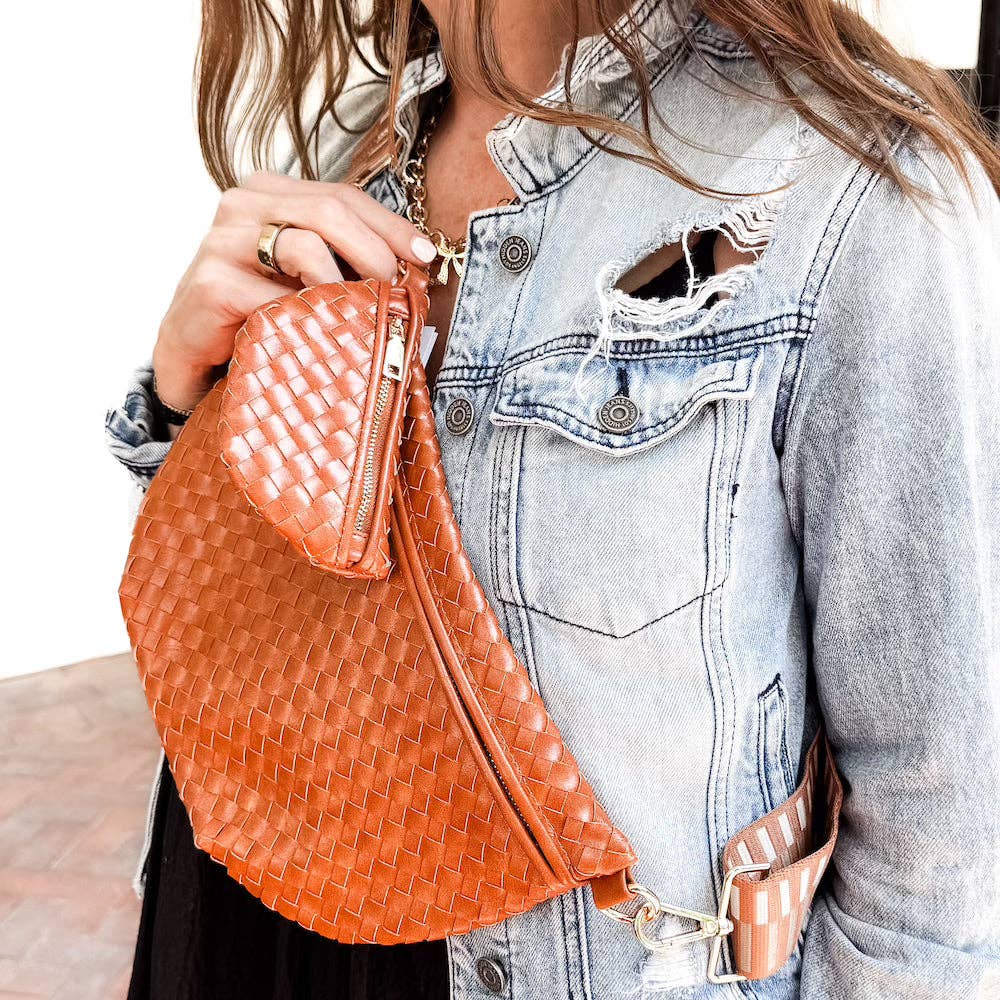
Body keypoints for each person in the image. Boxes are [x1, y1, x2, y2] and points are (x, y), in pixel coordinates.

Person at [105, 1, 1000, 997]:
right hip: (260, 925)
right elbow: (252, 623)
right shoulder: (341, 146)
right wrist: (187, 402)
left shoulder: (851, 194)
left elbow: (943, 859)